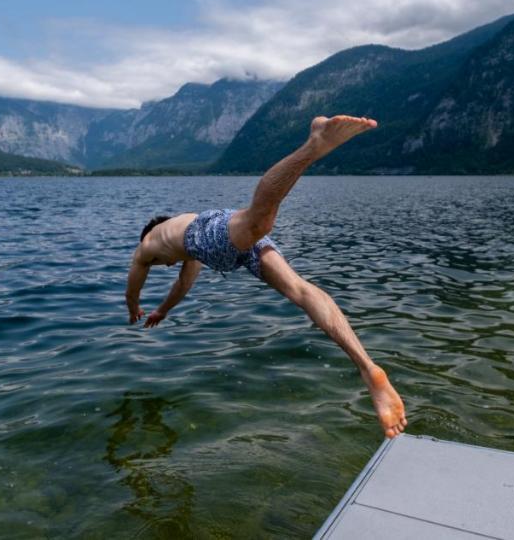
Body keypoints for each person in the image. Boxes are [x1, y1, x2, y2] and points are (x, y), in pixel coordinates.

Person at [124, 115, 407, 438]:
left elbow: (135, 276)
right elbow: (184, 284)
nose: (166, 265)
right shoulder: (188, 249)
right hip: (225, 243)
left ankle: (313, 146)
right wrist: (163, 310)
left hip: (212, 228)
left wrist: (133, 305)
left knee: (257, 220)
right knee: (300, 289)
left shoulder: (149, 242)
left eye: (162, 264)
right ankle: (368, 368)